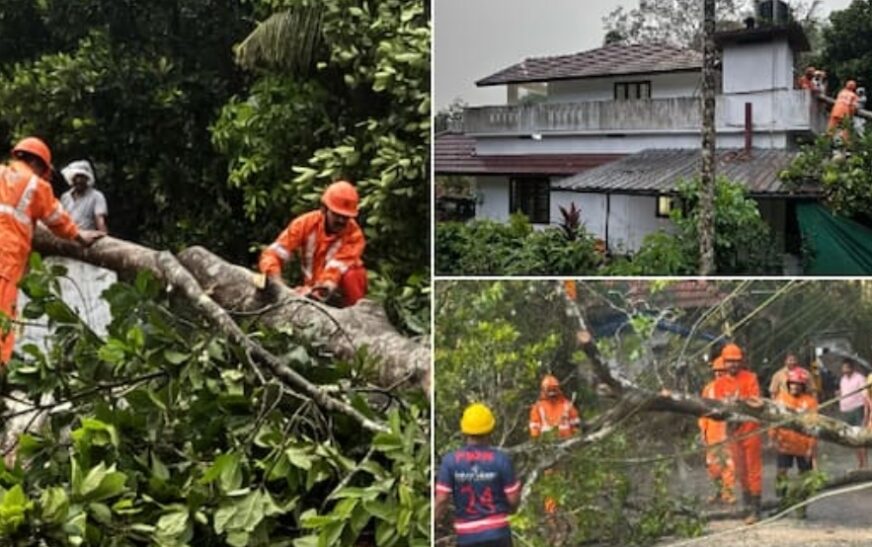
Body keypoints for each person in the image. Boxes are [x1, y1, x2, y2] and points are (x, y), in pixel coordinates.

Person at [0, 137, 103, 363]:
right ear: (38, 164)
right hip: (6, 258)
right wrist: (78, 235)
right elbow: (56, 217)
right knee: (2, 315)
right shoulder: (35, 185)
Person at [258, 181, 367, 307]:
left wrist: (321, 289)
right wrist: (275, 280)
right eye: (337, 215)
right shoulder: (305, 224)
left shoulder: (354, 235)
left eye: (346, 217)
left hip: (336, 290)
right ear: (324, 209)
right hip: (313, 288)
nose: (341, 220)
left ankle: (355, 314)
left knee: (354, 274)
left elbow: (334, 271)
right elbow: (273, 253)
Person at [435, 403, 521, 547]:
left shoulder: (450, 461)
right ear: (490, 430)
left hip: (467, 537)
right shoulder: (501, 460)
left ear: (464, 430)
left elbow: (442, 499)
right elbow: (513, 500)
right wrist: (511, 509)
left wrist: (432, 523)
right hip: (498, 534)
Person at [720, 342, 764, 524]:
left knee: (753, 469)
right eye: (730, 361)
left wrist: (740, 401)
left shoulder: (750, 378)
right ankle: (747, 505)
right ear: (724, 363)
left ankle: (756, 508)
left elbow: (757, 401)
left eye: (736, 361)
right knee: (740, 470)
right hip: (733, 431)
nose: (733, 365)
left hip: (749, 428)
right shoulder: (720, 382)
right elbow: (718, 405)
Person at [529, 374, 581, 516]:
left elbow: (576, 426)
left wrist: (574, 440)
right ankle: (553, 517)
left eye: (554, 389)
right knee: (551, 485)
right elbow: (534, 431)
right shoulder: (538, 408)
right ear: (544, 390)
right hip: (549, 451)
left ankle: (571, 513)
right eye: (549, 390)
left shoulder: (567, 405)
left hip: (567, 448)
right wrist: (539, 447)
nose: (552, 392)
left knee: (568, 481)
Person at [770, 367, 817, 518]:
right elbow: (773, 420)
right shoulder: (780, 399)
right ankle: (781, 505)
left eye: (798, 384)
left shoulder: (810, 402)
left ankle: (801, 508)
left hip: (803, 446)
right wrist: (772, 438)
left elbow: (814, 425)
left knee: (805, 477)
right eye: (792, 384)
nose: (795, 386)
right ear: (788, 384)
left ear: (803, 386)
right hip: (785, 444)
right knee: (781, 473)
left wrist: (811, 447)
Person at [699, 356, 736, 504]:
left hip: (726, 433)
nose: (719, 374)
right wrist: (703, 431)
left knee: (727, 465)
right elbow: (701, 410)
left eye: (722, 371)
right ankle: (718, 491)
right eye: (716, 371)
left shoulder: (732, 388)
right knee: (712, 466)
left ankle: (729, 493)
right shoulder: (708, 389)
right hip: (711, 432)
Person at [60, 160, 108, 232]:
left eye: (82, 177)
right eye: (76, 177)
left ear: (87, 178)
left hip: (87, 238)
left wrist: (104, 238)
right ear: (72, 178)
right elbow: (61, 219)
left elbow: (100, 220)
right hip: (67, 236)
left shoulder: (97, 196)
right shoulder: (65, 197)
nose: (79, 180)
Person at [837, 360, 868, 469]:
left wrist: (866, 412)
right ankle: (860, 462)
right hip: (846, 409)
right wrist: (839, 394)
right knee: (852, 439)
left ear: (852, 368)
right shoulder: (843, 379)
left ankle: (865, 464)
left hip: (857, 408)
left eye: (847, 368)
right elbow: (842, 392)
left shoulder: (860, 378)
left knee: (860, 437)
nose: (844, 370)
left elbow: (865, 395)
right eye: (843, 368)